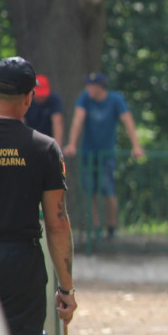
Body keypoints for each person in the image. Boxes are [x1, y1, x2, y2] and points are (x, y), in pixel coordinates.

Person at [0, 57, 77, 335]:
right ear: (29, 98)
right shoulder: (44, 149)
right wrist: (65, 287)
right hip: (20, 264)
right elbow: (57, 222)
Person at [63, 71, 144, 238]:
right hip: (88, 153)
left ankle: (111, 226)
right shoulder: (85, 98)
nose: (88, 88)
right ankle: (95, 228)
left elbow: (127, 120)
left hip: (106, 154)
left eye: (91, 85)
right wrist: (72, 144)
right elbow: (78, 119)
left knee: (108, 191)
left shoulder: (115, 99)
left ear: (100, 87)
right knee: (90, 191)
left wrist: (136, 146)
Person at [23, 74, 65, 146]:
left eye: (43, 95)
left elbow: (57, 122)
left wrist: (57, 148)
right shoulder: (25, 100)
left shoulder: (54, 100)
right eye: (38, 95)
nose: (41, 98)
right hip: (30, 139)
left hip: (49, 140)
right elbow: (21, 122)